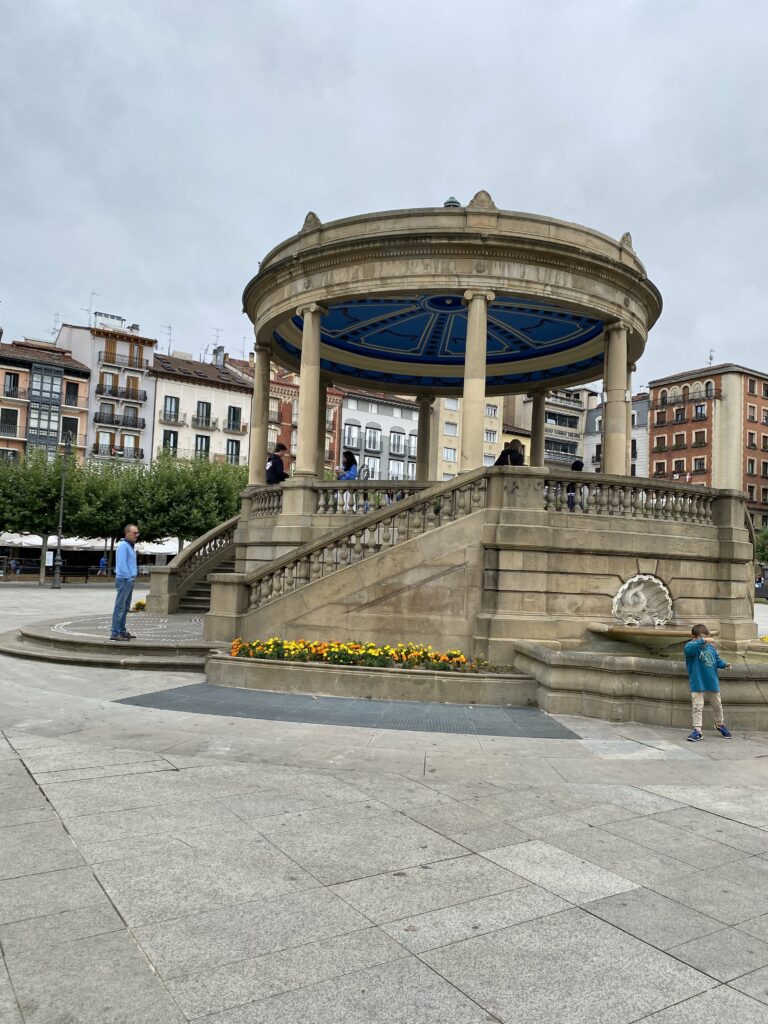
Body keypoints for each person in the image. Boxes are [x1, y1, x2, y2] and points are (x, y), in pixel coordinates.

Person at [683, 623, 732, 741]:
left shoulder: (711, 648)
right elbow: (689, 649)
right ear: (693, 638)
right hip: (698, 683)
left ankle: (720, 725)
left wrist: (725, 665)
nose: (705, 641)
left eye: (706, 638)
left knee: (717, 706)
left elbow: (717, 661)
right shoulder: (690, 647)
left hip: (712, 682)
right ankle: (697, 731)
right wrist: (703, 640)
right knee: (697, 707)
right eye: (701, 638)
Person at [111, 524, 139, 641]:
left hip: (128, 579)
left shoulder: (129, 545)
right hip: (124, 579)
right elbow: (122, 564)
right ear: (127, 533)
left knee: (125, 607)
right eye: (134, 533)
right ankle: (115, 632)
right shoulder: (123, 545)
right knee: (120, 607)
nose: (136, 535)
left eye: (137, 533)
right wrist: (128, 577)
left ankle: (121, 631)